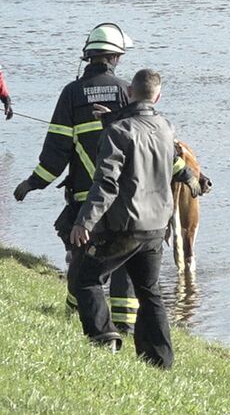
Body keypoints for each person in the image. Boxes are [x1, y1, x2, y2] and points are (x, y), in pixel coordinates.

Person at [14, 23, 141, 333]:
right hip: (124, 198)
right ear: (116, 58)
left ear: (88, 56)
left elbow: (56, 151)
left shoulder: (71, 94)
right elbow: (144, 147)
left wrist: (32, 183)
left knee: (84, 262)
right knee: (123, 262)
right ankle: (125, 326)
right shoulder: (127, 92)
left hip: (85, 199)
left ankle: (81, 314)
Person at [70, 68, 184, 369]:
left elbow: (106, 183)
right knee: (150, 292)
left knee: (87, 280)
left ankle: (104, 337)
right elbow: (160, 152)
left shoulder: (117, 132)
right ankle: (160, 361)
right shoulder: (166, 127)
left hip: (124, 227)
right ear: (157, 96)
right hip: (157, 227)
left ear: (130, 92)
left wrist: (85, 221)